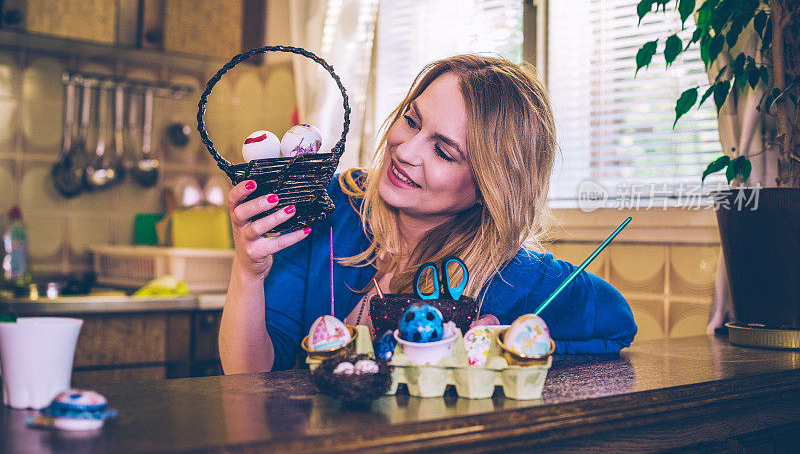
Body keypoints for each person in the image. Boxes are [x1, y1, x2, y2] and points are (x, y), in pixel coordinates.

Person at [219, 54, 637, 374]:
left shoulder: (513, 276)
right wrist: (247, 271)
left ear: (490, 188)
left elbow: (617, 322)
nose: (405, 150)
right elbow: (249, 373)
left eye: (443, 151)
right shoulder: (331, 206)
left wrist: (511, 343)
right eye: (412, 121)